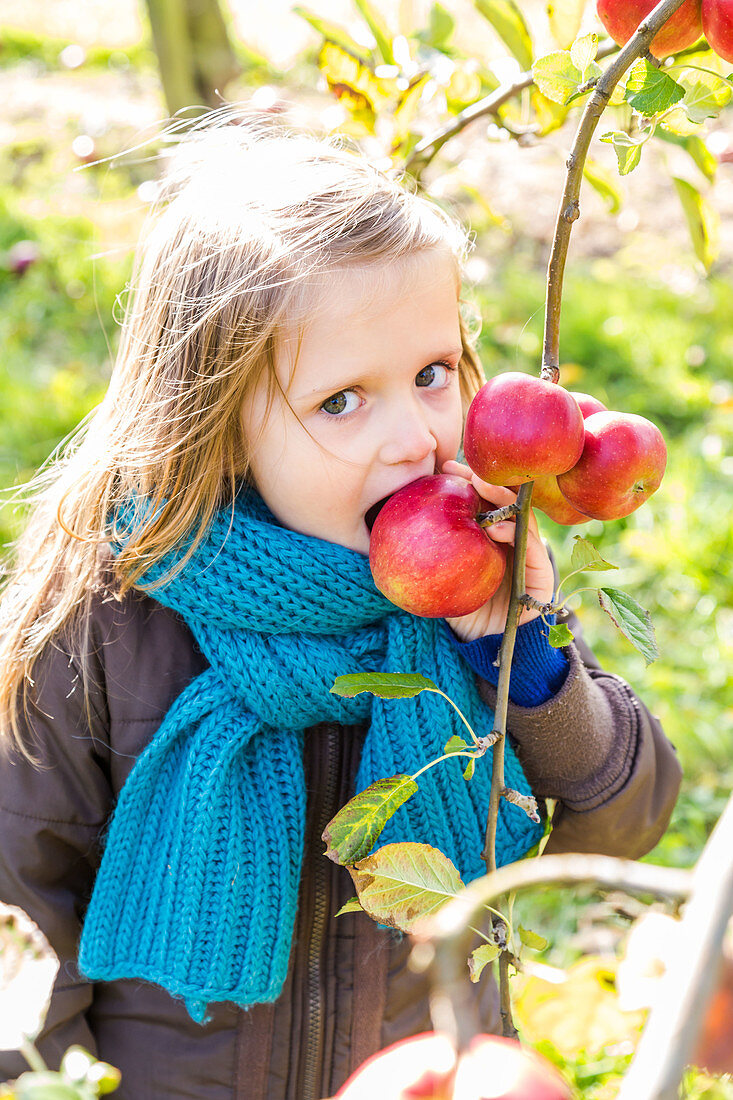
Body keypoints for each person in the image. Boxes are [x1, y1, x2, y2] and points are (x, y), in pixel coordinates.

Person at [0, 110, 681, 1100]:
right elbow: (17, 894)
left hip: (422, 1071)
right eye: (342, 400)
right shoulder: (109, 610)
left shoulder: (476, 593)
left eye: (432, 374)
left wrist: (521, 653)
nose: (415, 434)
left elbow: (620, 823)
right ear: (218, 426)